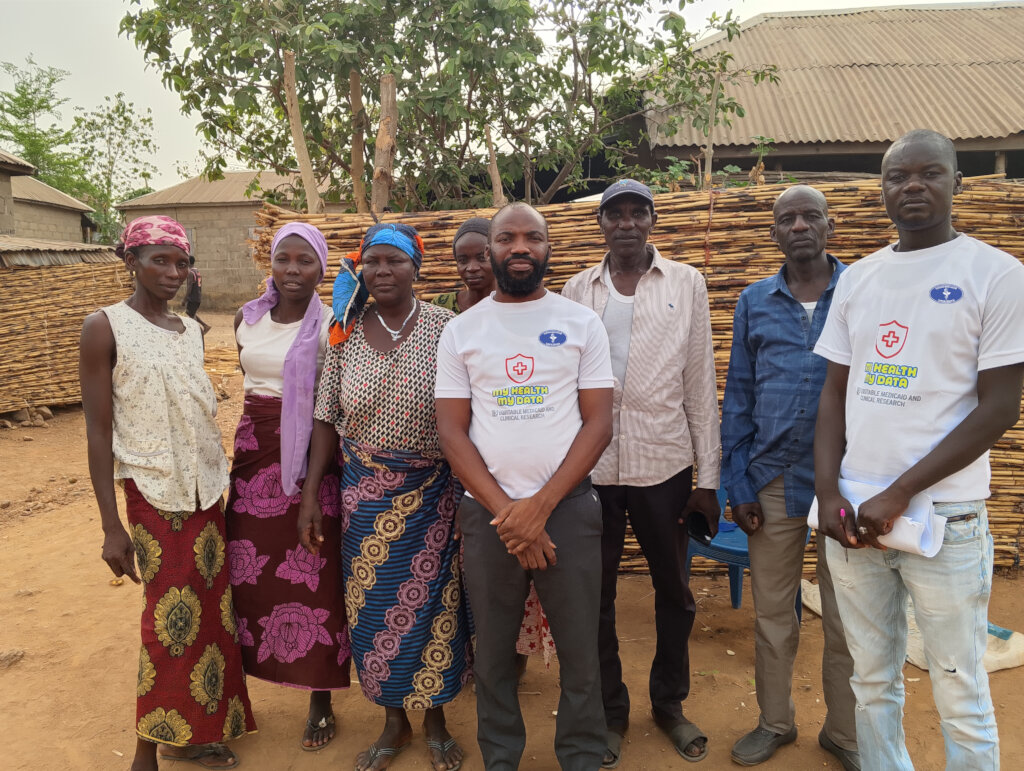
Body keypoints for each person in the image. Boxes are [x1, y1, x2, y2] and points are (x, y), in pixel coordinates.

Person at [814, 129, 1024, 770]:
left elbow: (999, 407)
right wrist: (828, 491)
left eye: (929, 173)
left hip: (946, 517)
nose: (911, 186)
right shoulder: (859, 279)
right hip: (855, 515)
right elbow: (833, 393)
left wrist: (901, 491)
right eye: (896, 176)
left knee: (959, 688)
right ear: (880, 189)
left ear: (957, 182)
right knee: (872, 681)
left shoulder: (996, 275)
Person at [435, 202, 614, 770]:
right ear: (490, 249)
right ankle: (501, 758)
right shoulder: (462, 331)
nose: (519, 247)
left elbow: (599, 425)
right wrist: (511, 514)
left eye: (532, 237)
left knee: (581, 650)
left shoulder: (582, 322)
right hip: (488, 515)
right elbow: (451, 432)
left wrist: (540, 508)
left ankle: (582, 755)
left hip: (568, 511)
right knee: (492, 652)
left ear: (547, 248)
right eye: (506, 237)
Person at [80, 215, 256, 771]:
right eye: (160, 260)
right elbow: (98, 431)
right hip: (153, 494)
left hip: (206, 493)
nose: (173, 272)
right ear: (130, 260)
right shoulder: (104, 327)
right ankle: (145, 751)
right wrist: (111, 526)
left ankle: (192, 735)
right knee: (167, 621)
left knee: (212, 618)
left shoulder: (189, 332)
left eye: (181, 263)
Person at [298, 223, 470, 771]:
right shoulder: (345, 330)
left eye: (394, 260)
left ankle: (436, 719)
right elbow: (326, 417)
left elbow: (468, 417)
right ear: (361, 269)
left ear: (416, 267)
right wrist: (310, 494)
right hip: (364, 499)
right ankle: (394, 721)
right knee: (373, 611)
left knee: (437, 607)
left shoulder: (447, 328)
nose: (382, 271)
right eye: (372, 261)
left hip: (434, 494)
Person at [561, 179, 720, 766]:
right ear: (601, 223)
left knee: (673, 589)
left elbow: (699, 382)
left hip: (664, 463)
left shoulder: (685, 283)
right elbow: (563, 383)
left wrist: (708, 479)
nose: (626, 223)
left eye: (637, 213)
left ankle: (669, 704)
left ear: (652, 220)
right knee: (595, 594)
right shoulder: (577, 289)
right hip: (593, 466)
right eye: (615, 214)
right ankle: (611, 711)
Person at [721, 185, 859, 769]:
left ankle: (845, 733)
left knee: (846, 618)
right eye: (787, 219)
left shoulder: (862, 291)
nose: (799, 226)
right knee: (774, 615)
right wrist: (738, 484)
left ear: (830, 225)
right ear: (774, 232)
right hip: (772, 480)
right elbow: (739, 395)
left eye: (810, 216)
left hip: (846, 483)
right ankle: (775, 722)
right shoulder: (755, 300)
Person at [227, 222, 350, 751]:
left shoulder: (333, 326)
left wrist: (310, 489)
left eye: (305, 261)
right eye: (284, 259)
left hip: (311, 457)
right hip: (253, 455)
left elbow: (328, 407)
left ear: (322, 268)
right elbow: (250, 385)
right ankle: (245, 683)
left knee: (314, 575)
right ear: (271, 264)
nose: (293, 270)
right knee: (248, 571)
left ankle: (320, 696)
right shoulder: (247, 318)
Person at [432, 216, 556, 671]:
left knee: (528, 573)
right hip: (462, 469)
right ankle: (486, 658)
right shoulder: (445, 316)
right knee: (480, 576)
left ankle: (515, 658)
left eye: (480, 256)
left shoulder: (537, 314)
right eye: (461, 259)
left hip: (529, 478)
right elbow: (451, 422)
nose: (472, 267)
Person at [183, 255, 211, 334]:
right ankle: (205, 326)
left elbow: (189, 288)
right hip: (197, 296)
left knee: (190, 315)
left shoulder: (190, 273)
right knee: (191, 313)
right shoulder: (197, 272)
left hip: (193, 298)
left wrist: (184, 299)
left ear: (188, 262)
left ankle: (198, 331)